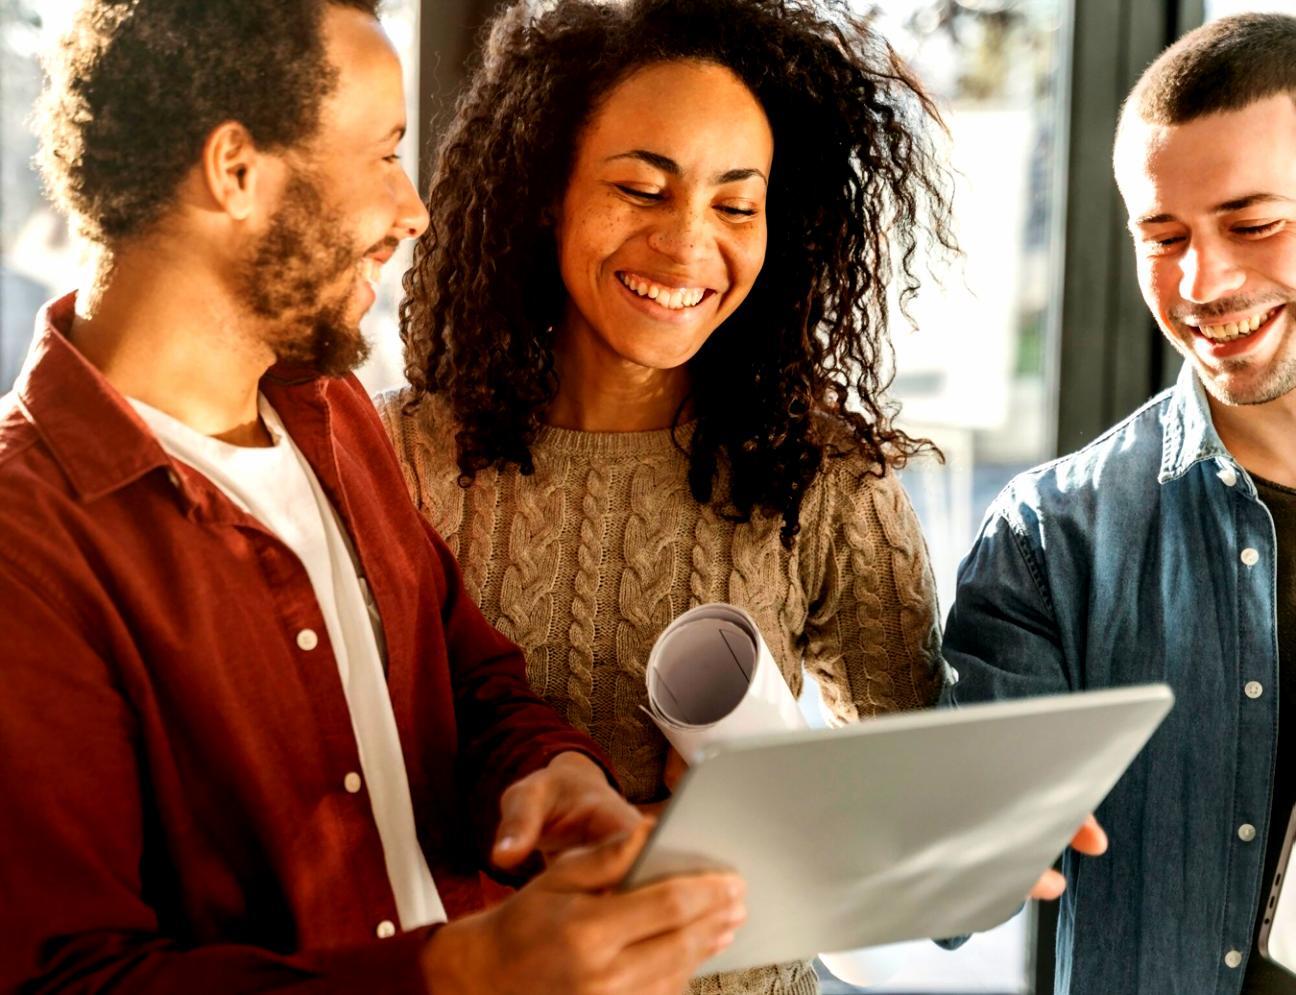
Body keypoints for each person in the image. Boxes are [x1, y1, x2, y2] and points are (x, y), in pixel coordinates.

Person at [0, 2, 748, 992]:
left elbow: (465, 673)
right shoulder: (27, 540)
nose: (415, 210)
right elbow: (69, 977)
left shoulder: (331, 409)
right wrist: (460, 974)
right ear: (236, 171)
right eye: (386, 153)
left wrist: (545, 773)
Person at [379, 0, 1097, 990]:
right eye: (641, 187)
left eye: (736, 204)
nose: (686, 247)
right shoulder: (393, 457)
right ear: (546, 192)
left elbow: (910, 841)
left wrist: (984, 837)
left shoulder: (824, 477)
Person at [944, 12, 1296, 994]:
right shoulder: (1050, 538)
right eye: (1162, 235)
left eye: (1254, 223)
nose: (1203, 282)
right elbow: (953, 882)